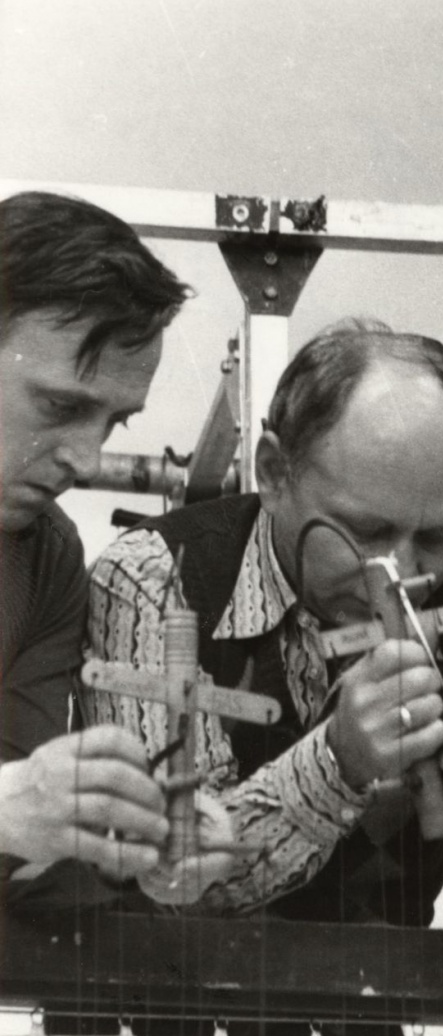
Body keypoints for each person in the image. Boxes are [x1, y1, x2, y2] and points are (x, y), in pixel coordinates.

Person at [85, 321, 443, 930]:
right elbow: (165, 882)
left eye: (438, 536)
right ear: (274, 473)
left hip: (384, 989)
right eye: (367, 531)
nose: (402, 572)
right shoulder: (153, 578)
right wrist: (338, 763)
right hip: (165, 990)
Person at [0, 191, 189, 891]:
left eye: (114, 423)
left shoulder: (47, 557)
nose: (86, 460)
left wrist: (139, 838)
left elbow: (23, 842)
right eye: (60, 405)